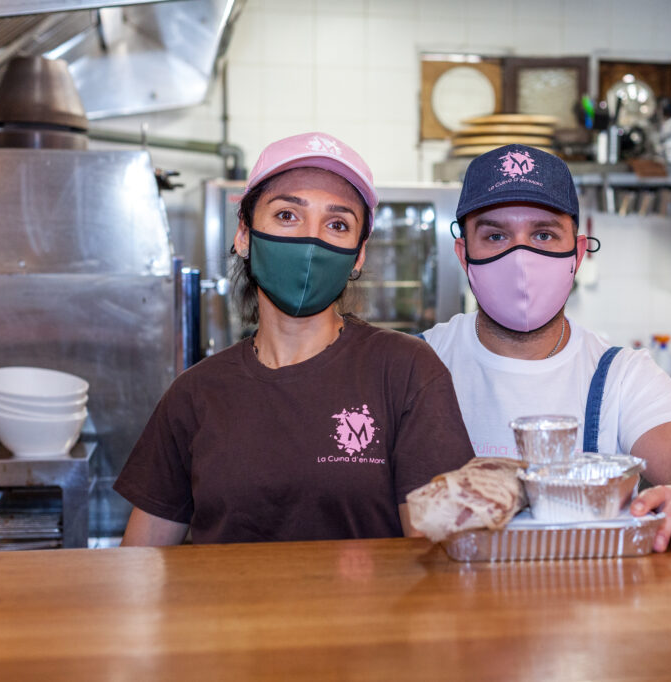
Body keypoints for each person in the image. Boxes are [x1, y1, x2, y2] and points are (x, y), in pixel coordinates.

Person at [115, 132, 473, 545]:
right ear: (244, 235)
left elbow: (436, 554)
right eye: (287, 215)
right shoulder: (194, 393)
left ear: (357, 255)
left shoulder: (406, 371)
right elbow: (140, 565)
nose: (311, 240)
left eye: (337, 224)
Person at [422, 144, 671, 553]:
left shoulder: (619, 374)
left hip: (585, 607)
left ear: (576, 252)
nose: (520, 258)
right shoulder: (418, 364)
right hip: (452, 607)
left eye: (543, 234)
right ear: (464, 255)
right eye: (496, 235)